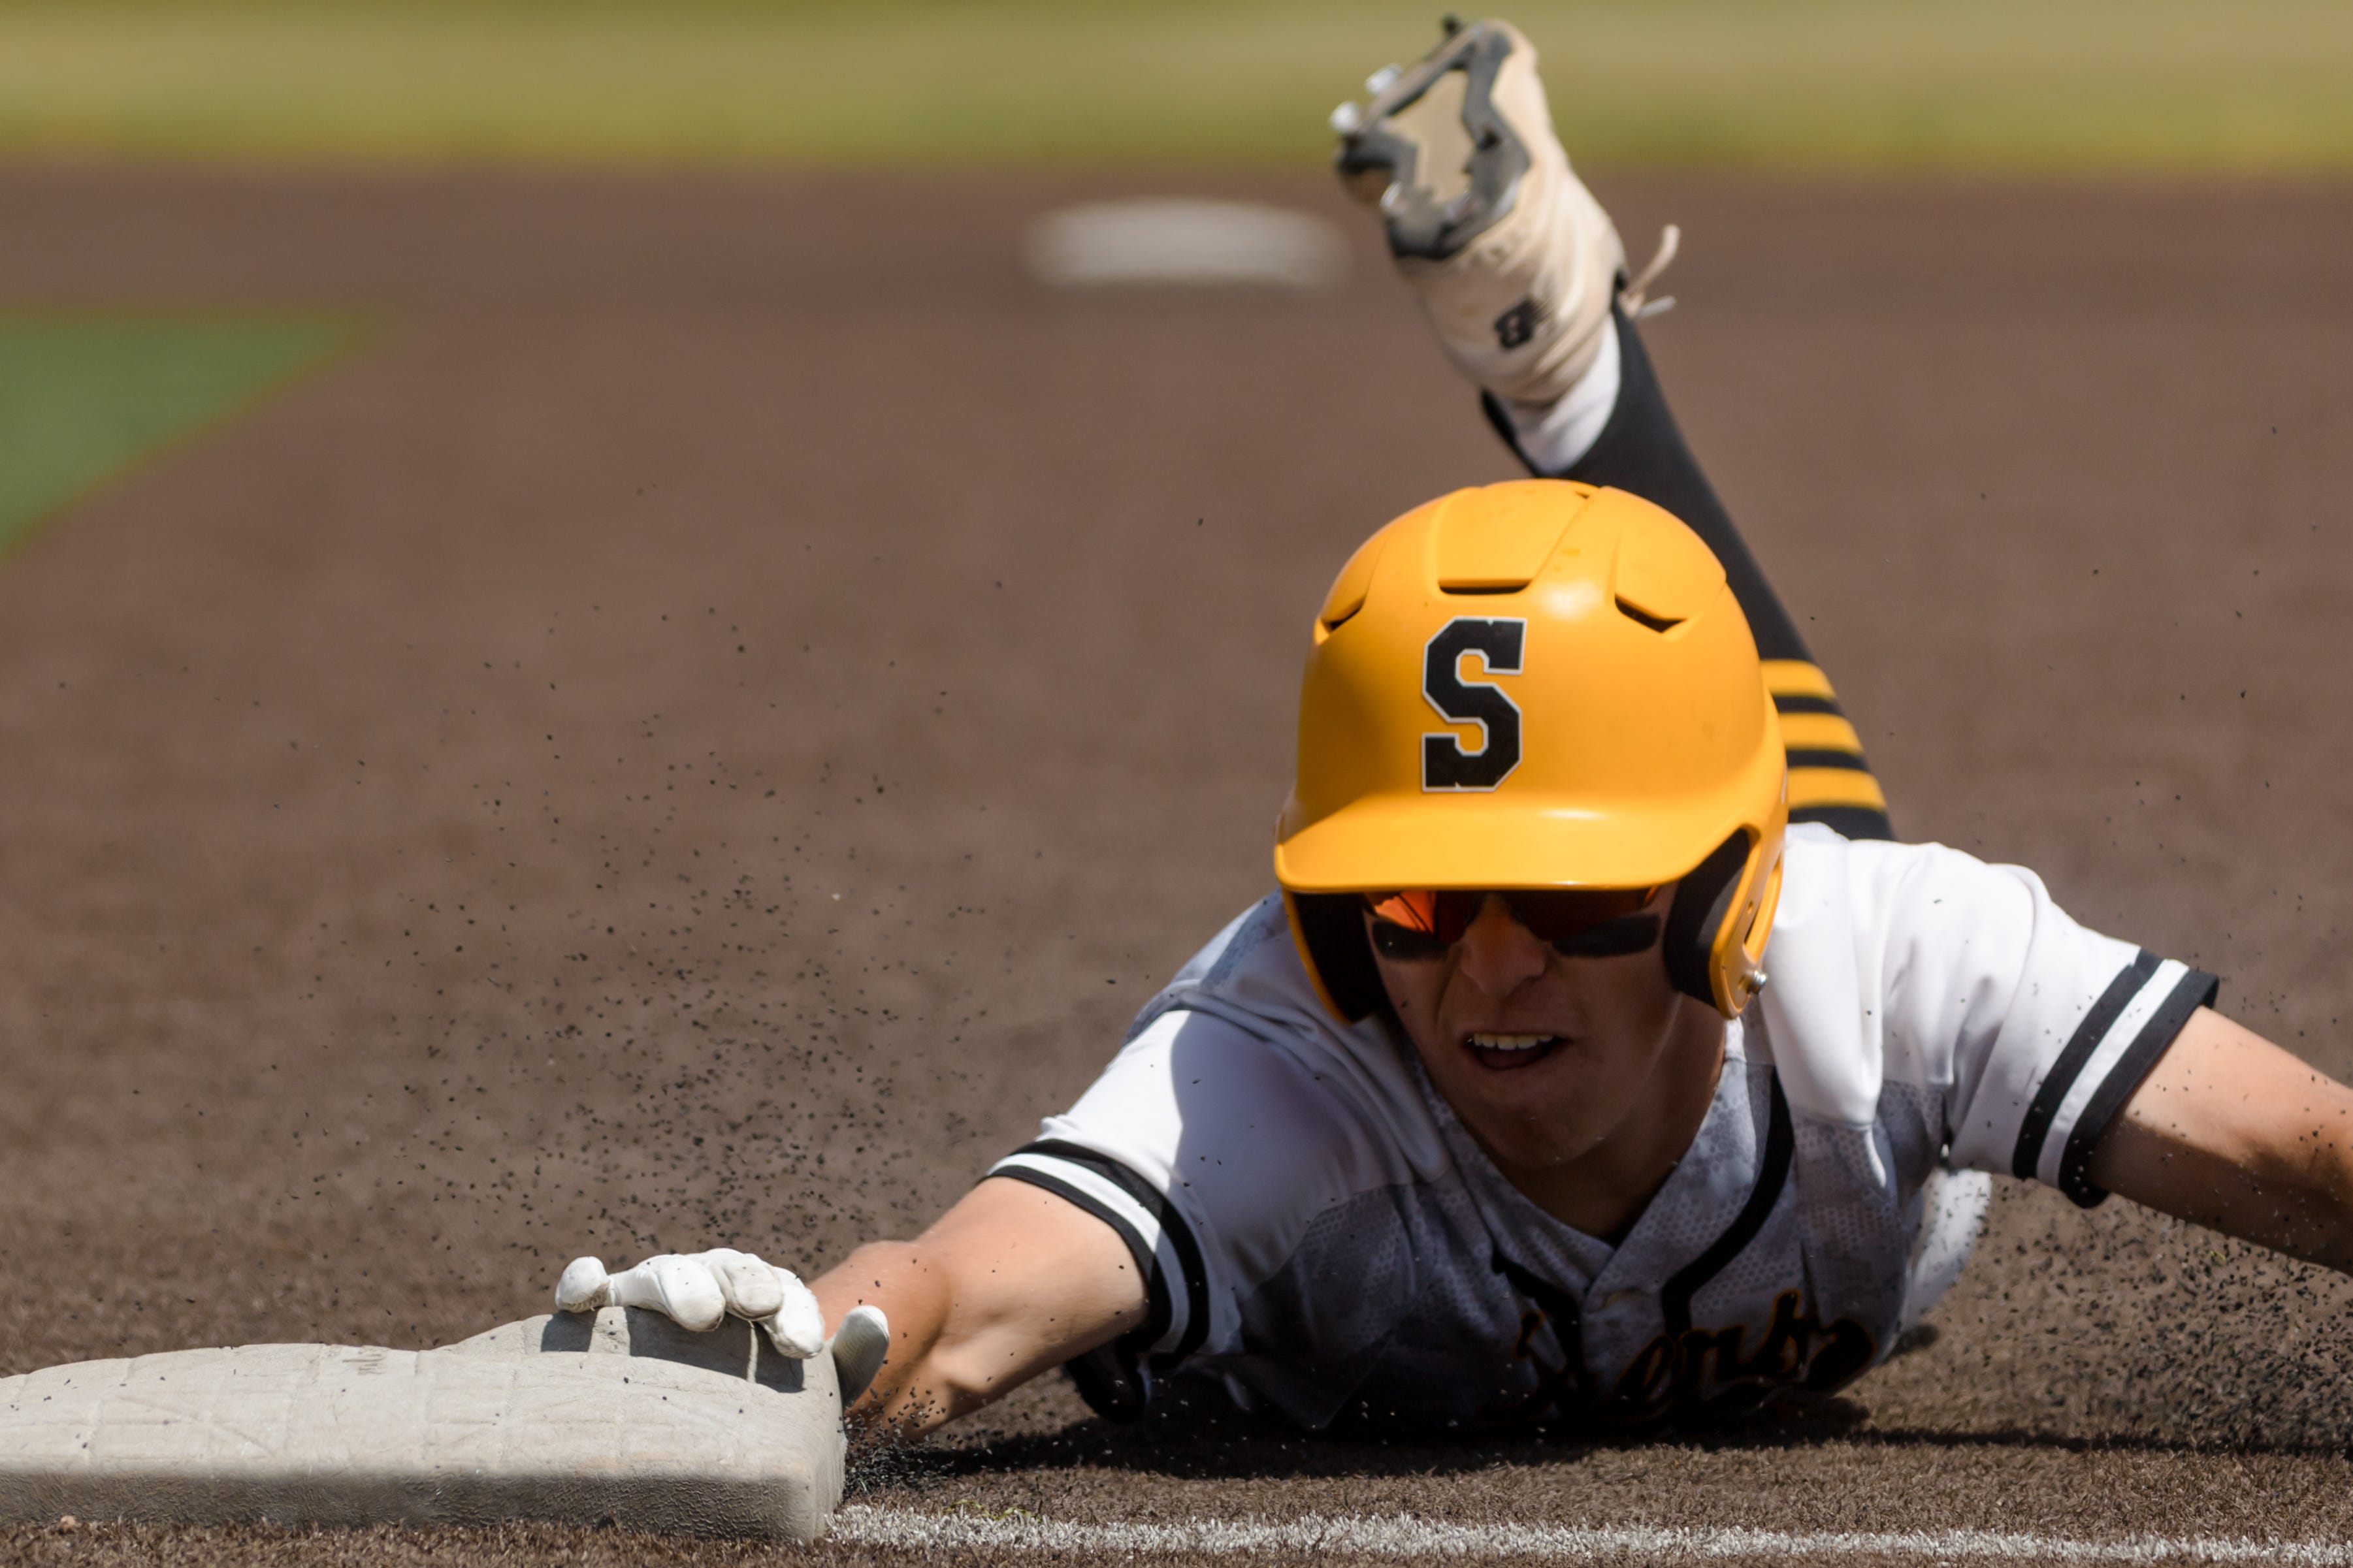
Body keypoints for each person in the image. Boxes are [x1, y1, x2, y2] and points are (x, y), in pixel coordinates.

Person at [553, 18, 2353, 1439]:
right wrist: (805, 1353)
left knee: (1792, 796)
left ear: (1722, 901)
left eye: (1568, 902)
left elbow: (2306, 1155)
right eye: (1410, 903)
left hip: (1815, 908)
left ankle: (1569, 370)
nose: (1486, 967)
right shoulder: (1265, 1077)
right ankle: (1562, 369)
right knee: (1665, 723)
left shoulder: (1898, 964)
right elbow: (957, 1295)